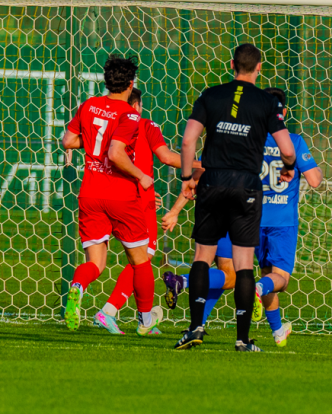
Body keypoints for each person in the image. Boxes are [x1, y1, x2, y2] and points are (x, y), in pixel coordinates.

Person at [163, 87, 322, 347]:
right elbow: (314, 180)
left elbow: (200, 172)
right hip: (278, 221)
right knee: (272, 279)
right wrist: (299, 168)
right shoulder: (293, 141)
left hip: (241, 212)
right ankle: (245, 323)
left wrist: (176, 209)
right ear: (283, 112)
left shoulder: (245, 135)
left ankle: (272, 330)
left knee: (228, 272)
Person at [174, 43, 296, 352]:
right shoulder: (267, 102)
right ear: (259, 67)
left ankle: (195, 328)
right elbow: (287, 149)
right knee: (243, 264)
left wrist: (187, 179)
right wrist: (288, 168)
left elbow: (188, 141)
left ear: (232, 64)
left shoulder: (211, 95)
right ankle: (242, 340)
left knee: (202, 257)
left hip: (213, 181)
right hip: (247, 186)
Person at [60, 55, 161, 334]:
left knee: (95, 262)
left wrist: (95, 144)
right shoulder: (130, 114)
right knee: (140, 260)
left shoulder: (89, 105)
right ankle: (145, 320)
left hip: (89, 194)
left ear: (106, 81)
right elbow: (116, 154)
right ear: (130, 84)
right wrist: (141, 176)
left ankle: (78, 286)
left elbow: (68, 140)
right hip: (120, 195)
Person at [93, 87, 189, 335]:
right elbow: (166, 157)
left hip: (114, 195)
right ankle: (110, 312)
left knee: (138, 259)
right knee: (142, 259)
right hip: (138, 200)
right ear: (136, 106)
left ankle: (142, 318)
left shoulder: (110, 126)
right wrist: (202, 164)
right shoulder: (145, 124)